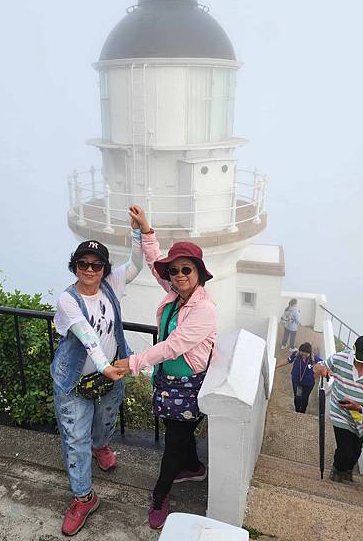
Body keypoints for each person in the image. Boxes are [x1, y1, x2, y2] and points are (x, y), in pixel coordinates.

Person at [115, 205, 216, 530]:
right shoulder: (176, 294)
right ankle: (195, 468)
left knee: (173, 443)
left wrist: (132, 363)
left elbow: (173, 346)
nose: (179, 275)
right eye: (174, 271)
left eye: (186, 269)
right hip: (169, 380)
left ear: (198, 272)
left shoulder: (204, 311)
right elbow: (155, 262)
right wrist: (146, 230)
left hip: (187, 385)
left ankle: (161, 495)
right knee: (180, 433)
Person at [50, 213, 142, 536]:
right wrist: (106, 366)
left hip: (109, 373)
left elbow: (136, 264)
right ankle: (84, 497)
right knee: (75, 438)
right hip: (75, 381)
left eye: (96, 265)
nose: (90, 270)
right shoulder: (67, 299)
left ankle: (100, 446)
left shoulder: (111, 285)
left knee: (105, 420)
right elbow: (85, 334)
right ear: (74, 266)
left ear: (104, 268)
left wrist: (138, 232)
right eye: (83, 264)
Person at [314, 335, 363, 484]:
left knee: (356, 450)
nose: (362, 365)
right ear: (354, 351)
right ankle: (337, 471)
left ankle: (347, 471)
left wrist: (360, 407)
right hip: (340, 412)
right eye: (359, 359)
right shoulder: (340, 358)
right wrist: (323, 370)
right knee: (345, 449)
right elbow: (318, 366)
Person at [276, 342, 322, 413]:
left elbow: (324, 366)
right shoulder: (296, 355)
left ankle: (302, 412)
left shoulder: (314, 358)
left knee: (305, 398)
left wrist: (317, 375)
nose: (303, 356)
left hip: (308, 384)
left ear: (309, 353)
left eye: (306, 354)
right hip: (297, 382)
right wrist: (276, 366)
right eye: (302, 354)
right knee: (298, 397)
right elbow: (288, 360)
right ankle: (297, 411)